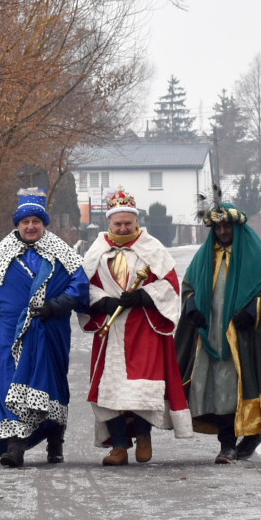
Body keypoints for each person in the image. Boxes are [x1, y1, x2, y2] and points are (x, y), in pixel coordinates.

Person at [0, 187, 89, 468]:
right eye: (25, 222)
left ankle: (55, 441)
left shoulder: (62, 254)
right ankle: (14, 447)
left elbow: (80, 288)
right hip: (9, 335)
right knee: (9, 385)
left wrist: (57, 305)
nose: (30, 227)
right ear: (17, 224)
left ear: (44, 224)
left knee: (52, 385)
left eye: (36, 222)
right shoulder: (1, 256)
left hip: (50, 331)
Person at [80, 187, 193, 465]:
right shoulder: (96, 250)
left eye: (127, 223)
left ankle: (143, 436)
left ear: (136, 222)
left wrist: (143, 295)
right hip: (110, 328)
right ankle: (119, 445)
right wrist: (102, 303)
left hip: (144, 327)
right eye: (117, 223)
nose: (122, 228)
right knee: (111, 389)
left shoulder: (152, 248)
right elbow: (83, 286)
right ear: (109, 223)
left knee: (141, 388)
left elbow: (170, 285)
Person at [175, 201, 261, 464]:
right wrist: (191, 304)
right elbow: (189, 283)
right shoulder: (205, 255)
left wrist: (253, 309)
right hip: (210, 335)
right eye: (218, 227)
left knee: (239, 383)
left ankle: (250, 434)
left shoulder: (255, 256)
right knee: (216, 387)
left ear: (236, 226)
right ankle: (226, 445)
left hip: (241, 338)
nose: (223, 231)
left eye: (227, 226)